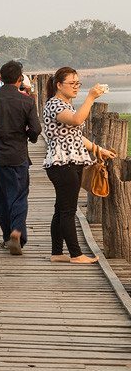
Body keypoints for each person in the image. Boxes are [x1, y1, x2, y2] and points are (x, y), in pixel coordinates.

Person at [42, 67, 116, 263]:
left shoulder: (65, 104)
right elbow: (76, 121)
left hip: (69, 162)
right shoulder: (55, 105)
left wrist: (98, 149)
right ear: (59, 85)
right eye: (72, 83)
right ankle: (76, 254)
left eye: (78, 84)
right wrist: (91, 97)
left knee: (61, 209)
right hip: (62, 163)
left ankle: (57, 253)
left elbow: (76, 136)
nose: (76, 87)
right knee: (68, 210)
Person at [0, 61, 41, 255]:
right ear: (20, 79)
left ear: (0, 77)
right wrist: (28, 135)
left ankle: (6, 237)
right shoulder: (27, 101)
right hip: (18, 154)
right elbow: (36, 129)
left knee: (1, 198)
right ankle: (17, 231)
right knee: (19, 195)